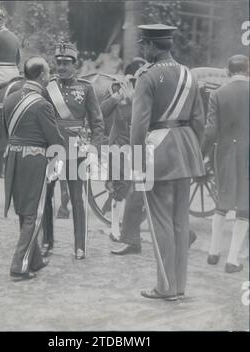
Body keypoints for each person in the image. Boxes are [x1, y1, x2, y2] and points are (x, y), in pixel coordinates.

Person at [130, 24, 205, 301]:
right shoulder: (189, 74)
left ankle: (165, 287)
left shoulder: (147, 77)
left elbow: (138, 125)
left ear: (151, 46)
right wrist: (197, 155)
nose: (143, 49)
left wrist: (136, 161)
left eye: (144, 45)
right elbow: (199, 120)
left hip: (158, 150)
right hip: (186, 150)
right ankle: (180, 286)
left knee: (160, 221)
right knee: (180, 222)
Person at [3, 56, 65, 281]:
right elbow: (54, 139)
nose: (49, 76)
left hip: (13, 158)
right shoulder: (42, 104)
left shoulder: (9, 98)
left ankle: (35, 258)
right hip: (34, 160)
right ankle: (19, 265)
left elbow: (6, 132)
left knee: (23, 210)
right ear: (41, 76)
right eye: (48, 72)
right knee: (34, 213)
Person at [42, 42, 104, 260]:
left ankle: (80, 245)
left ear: (74, 64)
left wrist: (95, 149)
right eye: (58, 63)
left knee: (78, 199)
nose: (61, 67)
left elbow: (97, 122)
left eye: (66, 63)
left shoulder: (86, 88)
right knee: (47, 197)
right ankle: (47, 242)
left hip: (77, 151)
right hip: (53, 149)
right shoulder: (48, 88)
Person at [204, 55, 249, 273]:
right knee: (245, 206)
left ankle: (213, 252)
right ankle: (232, 260)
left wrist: (202, 154)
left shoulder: (217, 94)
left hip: (223, 153)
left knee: (222, 202)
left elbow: (211, 130)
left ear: (227, 71)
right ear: (247, 70)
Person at [100, 59, 145, 244]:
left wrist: (134, 99)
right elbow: (100, 112)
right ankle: (114, 228)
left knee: (138, 189)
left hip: (137, 146)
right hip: (119, 144)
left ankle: (130, 229)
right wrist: (118, 96)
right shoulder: (115, 89)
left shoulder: (144, 94)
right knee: (121, 188)